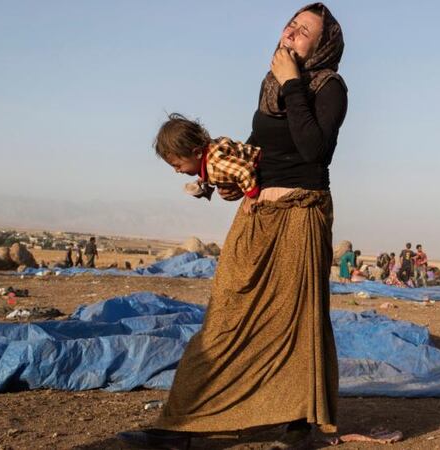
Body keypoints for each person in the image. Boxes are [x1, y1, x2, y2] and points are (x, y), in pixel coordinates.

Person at [118, 4, 348, 449]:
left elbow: (314, 149)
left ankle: (300, 425)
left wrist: (293, 83)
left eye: (304, 33)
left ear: (321, 46)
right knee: (224, 315)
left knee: (299, 320)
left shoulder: (328, 86)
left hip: (301, 214)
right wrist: (226, 181)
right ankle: (179, 425)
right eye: (291, 25)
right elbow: (259, 148)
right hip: (257, 216)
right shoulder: (270, 85)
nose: (291, 34)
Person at [154, 113, 261, 202]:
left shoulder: (215, 163)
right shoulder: (210, 152)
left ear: (197, 153)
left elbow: (244, 171)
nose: (177, 171)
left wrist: (252, 198)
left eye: (178, 165)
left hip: (261, 167)